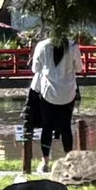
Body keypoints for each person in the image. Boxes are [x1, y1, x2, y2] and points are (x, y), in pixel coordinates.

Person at [25, 27, 80, 169]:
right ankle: (69, 161)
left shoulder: (42, 45)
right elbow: (79, 68)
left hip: (48, 92)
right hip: (68, 92)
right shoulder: (73, 46)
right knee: (66, 126)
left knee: (47, 126)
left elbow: (35, 69)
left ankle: (45, 162)